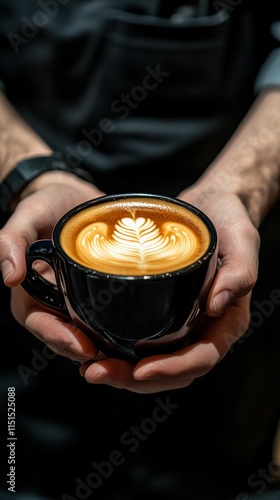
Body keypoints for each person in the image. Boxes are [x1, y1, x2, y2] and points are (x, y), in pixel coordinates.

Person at [0, 0, 280, 498]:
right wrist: (28, 174)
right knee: (21, 473)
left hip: (229, 271)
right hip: (32, 370)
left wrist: (239, 188)